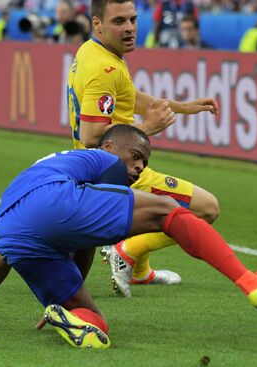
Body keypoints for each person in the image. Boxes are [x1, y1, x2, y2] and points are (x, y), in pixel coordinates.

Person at [0, 125, 257, 349]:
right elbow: (90, 233)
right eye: (136, 157)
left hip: (11, 230)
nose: (139, 168)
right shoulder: (101, 161)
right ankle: (251, 281)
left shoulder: (52, 166)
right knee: (168, 211)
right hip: (53, 201)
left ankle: (75, 321)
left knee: (96, 322)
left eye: (145, 163)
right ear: (110, 148)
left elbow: (1, 258)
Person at [68, 0, 221, 297]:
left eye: (132, 19)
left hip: (95, 168)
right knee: (206, 209)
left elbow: (129, 97)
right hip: (115, 171)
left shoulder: (92, 51)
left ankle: (139, 272)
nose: (129, 28)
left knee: (151, 205)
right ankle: (127, 252)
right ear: (97, 24)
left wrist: (185, 108)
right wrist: (148, 128)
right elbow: (91, 137)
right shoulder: (105, 68)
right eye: (118, 21)